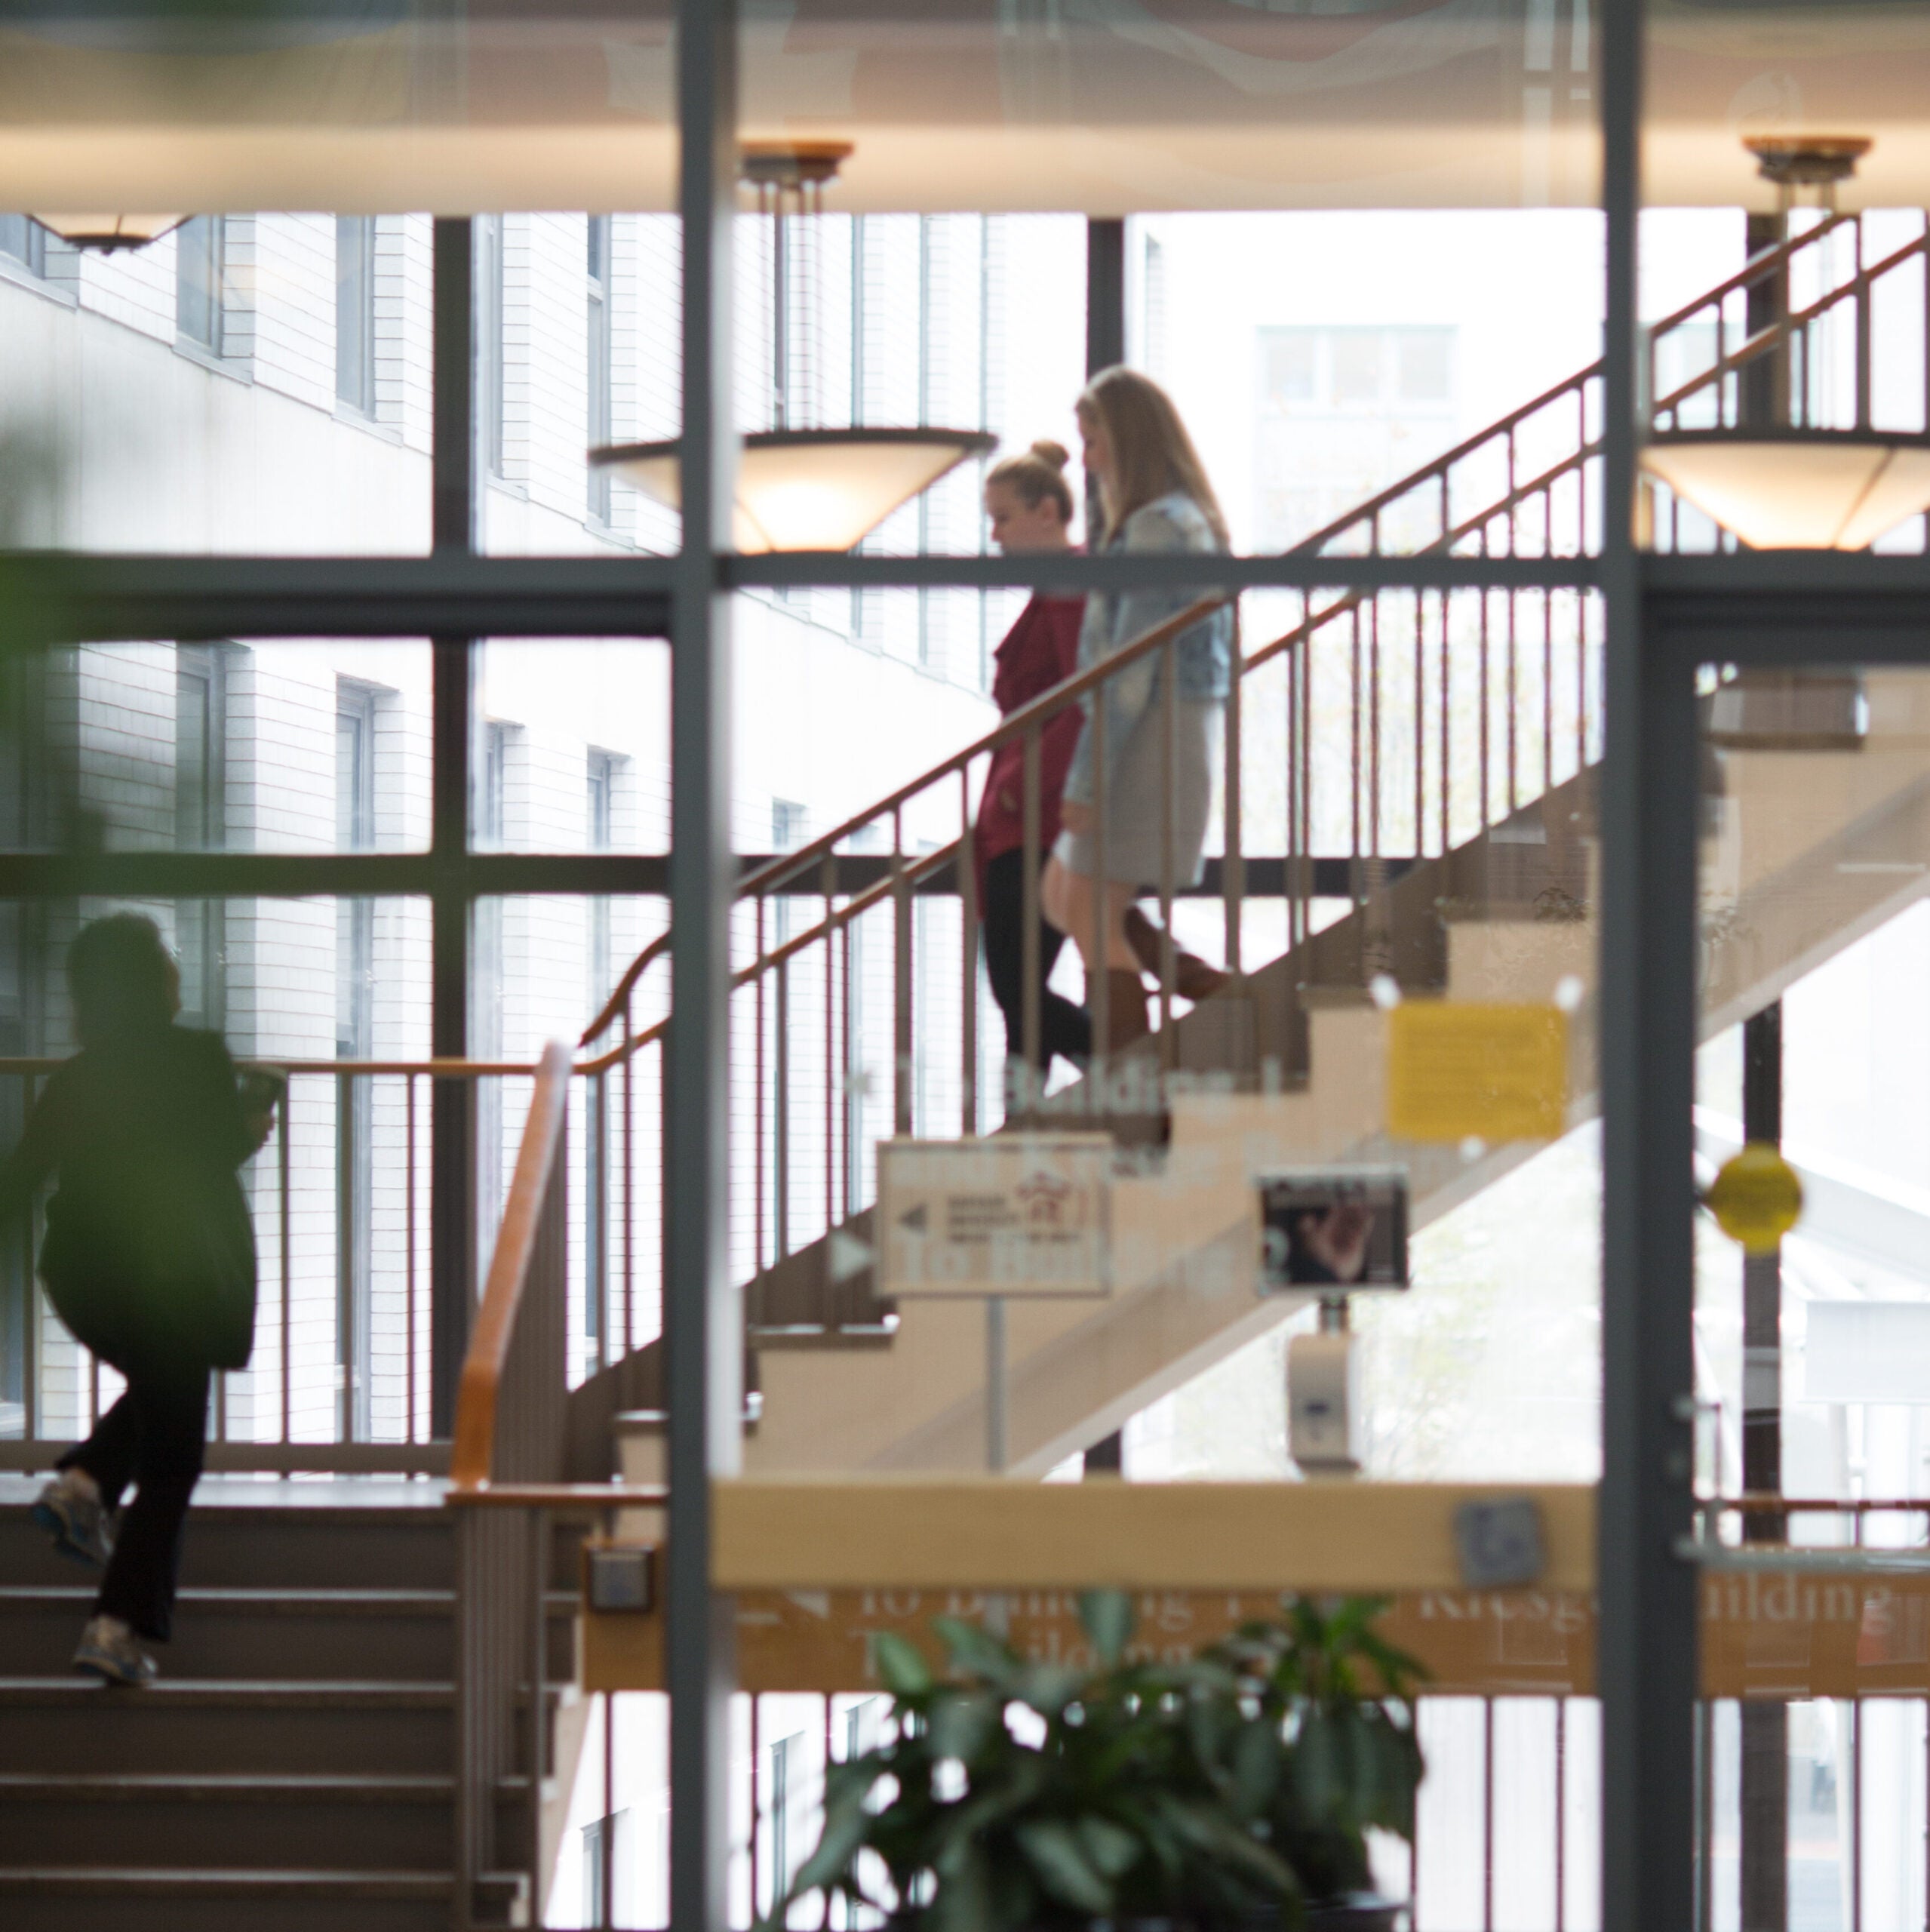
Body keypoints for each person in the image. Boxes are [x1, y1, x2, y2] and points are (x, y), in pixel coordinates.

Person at [6, 915, 275, 1685]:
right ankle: (114, 1624)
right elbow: (210, 1149)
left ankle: (86, 1484)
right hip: (168, 1277)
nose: (175, 967)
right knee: (174, 1456)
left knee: (165, 1394)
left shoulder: (76, 1076)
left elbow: (22, 1179)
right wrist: (250, 1125)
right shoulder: (195, 1055)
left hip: (83, 1276)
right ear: (145, 979)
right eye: (164, 956)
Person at [1041, 367, 1234, 1051]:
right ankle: (1210, 989)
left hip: (1154, 732)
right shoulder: (1178, 521)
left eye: (1093, 443)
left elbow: (1127, 675)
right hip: (1168, 726)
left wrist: (1088, 782)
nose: (1086, 462)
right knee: (1060, 892)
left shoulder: (1160, 529)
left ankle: (1136, 1103)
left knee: (1089, 911)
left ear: (1129, 441)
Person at [976, 441, 1092, 1087]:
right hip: (1024, 819)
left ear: (1047, 511)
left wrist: (1023, 787)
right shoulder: (1058, 592)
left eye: (1003, 519)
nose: (996, 537)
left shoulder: (1074, 586)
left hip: (1038, 822)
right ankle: (1022, 1131)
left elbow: (1087, 699)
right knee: (1019, 999)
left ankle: (1130, 1068)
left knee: (1015, 988)